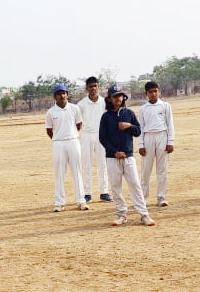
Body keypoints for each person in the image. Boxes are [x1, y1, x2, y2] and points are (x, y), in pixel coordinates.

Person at [98, 84, 155, 227]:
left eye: (120, 96)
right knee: (115, 186)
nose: (118, 99)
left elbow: (138, 131)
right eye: (115, 96)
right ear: (109, 99)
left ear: (124, 98)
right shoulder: (106, 117)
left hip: (128, 156)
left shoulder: (129, 113)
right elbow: (102, 138)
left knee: (135, 185)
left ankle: (144, 214)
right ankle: (121, 214)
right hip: (112, 158)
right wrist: (114, 152)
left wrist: (129, 126)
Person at [45, 84, 88, 212]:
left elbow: (78, 125)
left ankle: (81, 201)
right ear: (55, 96)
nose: (61, 96)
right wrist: (59, 137)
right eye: (59, 94)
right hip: (58, 143)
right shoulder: (51, 112)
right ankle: (59, 203)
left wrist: (71, 135)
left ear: (67, 94)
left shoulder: (74, 109)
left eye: (64, 93)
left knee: (77, 171)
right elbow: (49, 130)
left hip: (73, 141)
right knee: (59, 173)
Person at [137, 81, 175, 207]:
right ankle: (143, 198)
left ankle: (161, 197)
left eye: (155, 91)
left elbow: (170, 124)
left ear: (159, 91)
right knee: (145, 171)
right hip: (148, 137)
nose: (153, 94)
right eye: (150, 92)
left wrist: (170, 142)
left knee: (162, 170)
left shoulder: (165, 106)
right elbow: (141, 127)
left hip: (162, 136)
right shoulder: (143, 109)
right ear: (146, 94)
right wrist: (141, 145)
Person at [77, 76, 111, 203]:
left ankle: (104, 192)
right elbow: (77, 121)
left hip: (101, 135)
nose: (93, 88)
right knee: (86, 164)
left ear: (98, 87)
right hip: (86, 135)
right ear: (87, 88)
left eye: (95, 86)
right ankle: (87, 193)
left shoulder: (104, 102)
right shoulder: (81, 104)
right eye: (90, 86)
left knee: (103, 163)